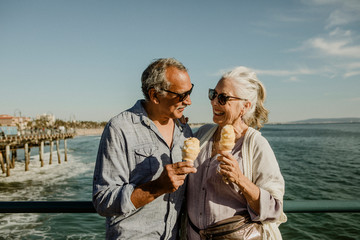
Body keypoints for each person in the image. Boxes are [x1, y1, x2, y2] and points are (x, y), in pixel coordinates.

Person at [93, 58, 197, 239]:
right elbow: (103, 200)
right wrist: (157, 187)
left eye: (190, 91)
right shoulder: (120, 128)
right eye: (181, 95)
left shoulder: (184, 129)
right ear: (155, 95)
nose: (188, 101)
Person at [186, 66, 287, 239]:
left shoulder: (256, 145)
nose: (214, 102)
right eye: (213, 94)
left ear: (245, 106)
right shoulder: (203, 134)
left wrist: (240, 179)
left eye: (223, 98)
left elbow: (274, 209)